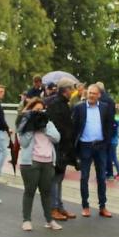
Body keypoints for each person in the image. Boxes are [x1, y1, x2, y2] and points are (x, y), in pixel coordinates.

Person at [15, 97, 62, 232]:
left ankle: (49, 220)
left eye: (42, 110)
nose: (39, 113)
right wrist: (31, 126)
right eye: (36, 110)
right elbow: (23, 143)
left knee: (46, 193)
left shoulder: (48, 122)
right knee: (29, 192)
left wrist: (44, 127)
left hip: (48, 162)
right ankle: (26, 220)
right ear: (30, 110)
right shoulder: (24, 123)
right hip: (31, 163)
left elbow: (57, 138)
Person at [71, 82, 115, 218]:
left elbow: (110, 126)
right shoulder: (79, 108)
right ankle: (85, 206)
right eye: (89, 92)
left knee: (101, 177)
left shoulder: (105, 108)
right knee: (84, 177)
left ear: (99, 95)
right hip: (85, 146)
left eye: (94, 93)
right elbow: (74, 127)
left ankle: (103, 206)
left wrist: (106, 143)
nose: (91, 95)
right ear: (86, 93)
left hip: (100, 146)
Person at [43, 78, 76, 220]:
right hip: (58, 145)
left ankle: (59, 206)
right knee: (56, 178)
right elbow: (57, 126)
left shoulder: (60, 103)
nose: (73, 92)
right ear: (66, 90)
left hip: (63, 145)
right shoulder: (57, 104)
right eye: (71, 89)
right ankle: (54, 208)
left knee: (59, 177)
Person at [105, 110, 119, 180]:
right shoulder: (118, 119)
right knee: (113, 157)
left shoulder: (112, 119)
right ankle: (118, 172)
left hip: (111, 142)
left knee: (112, 158)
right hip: (115, 141)